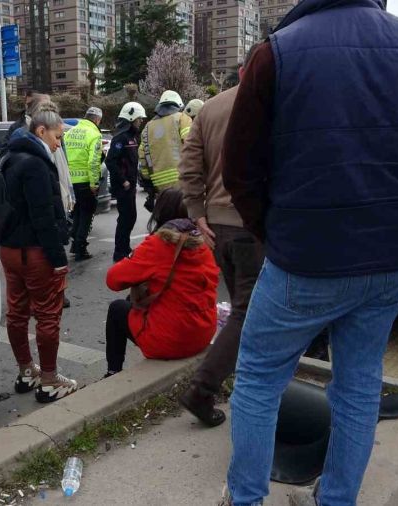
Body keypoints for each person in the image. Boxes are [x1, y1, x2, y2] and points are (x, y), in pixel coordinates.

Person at [221, 1, 398, 504]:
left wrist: (273, 232)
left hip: (304, 259)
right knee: (359, 386)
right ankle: (337, 499)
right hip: (389, 260)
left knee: (257, 378)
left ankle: (246, 499)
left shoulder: (278, 52)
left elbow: (240, 168)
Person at [177, 63, 263, 428]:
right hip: (253, 227)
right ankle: (203, 388)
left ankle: (230, 380)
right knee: (249, 313)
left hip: (218, 228)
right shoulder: (270, 104)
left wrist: (198, 212)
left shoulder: (209, 109)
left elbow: (189, 166)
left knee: (243, 308)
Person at [0, 104, 79, 403]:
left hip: (9, 249)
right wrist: (58, 260)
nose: (60, 144)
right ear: (41, 131)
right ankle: (49, 379)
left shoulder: (8, 159)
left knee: (17, 313)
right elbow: (43, 217)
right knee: (47, 314)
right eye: (58, 137)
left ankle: (26, 371)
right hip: (35, 252)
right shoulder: (36, 165)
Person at [103, 188, 219, 376]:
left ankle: (112, 372)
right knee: (133, 300)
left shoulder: (158, 245)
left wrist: (134, 257)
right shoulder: (202, 243)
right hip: (203, 333)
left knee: (117, 309)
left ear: (160, 213)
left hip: (171, 341)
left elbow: (113, 280)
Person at [106, 102, 147, 262]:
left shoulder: (132, 137)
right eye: (139, 119)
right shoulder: (120, 138)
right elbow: (111, 161)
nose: (141, 121)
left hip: (130, 185)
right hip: (123, 186)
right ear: (131, 118)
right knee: (125, 218)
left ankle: (125, 247)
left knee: (130, 217)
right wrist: (123, 181)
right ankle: (119, 252)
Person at [139, 90, 192, 210]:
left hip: (159, 185)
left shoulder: (148, 127)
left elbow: (142, 156)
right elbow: (191, 145)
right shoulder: (182, 118)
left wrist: (148, 180)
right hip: (182, 181)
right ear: (178, 105)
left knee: (166, 219)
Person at [65, 107, 103, 261]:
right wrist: (94, 183)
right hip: (85, 181)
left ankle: (75, 240)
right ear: (97, 120)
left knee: (78, 212)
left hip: (70, 182)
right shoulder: (94, 134)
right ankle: (80, 247)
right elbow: (93, 162)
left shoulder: (70, 133)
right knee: (87, 214)